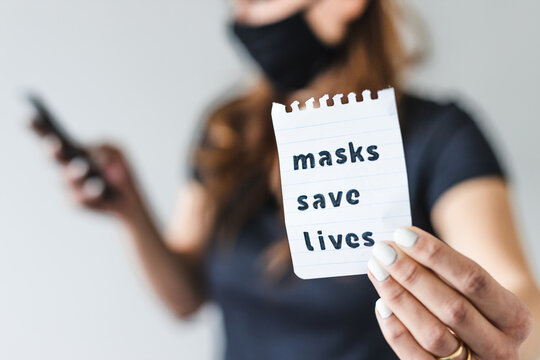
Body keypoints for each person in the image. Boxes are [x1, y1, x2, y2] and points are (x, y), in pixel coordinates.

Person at [44, 0, 540, 359]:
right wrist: (129, 207)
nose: (240, 13)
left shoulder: (442, 136)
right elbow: (185, 297)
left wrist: (498, 339)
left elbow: (516, 295)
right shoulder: (225, 132)